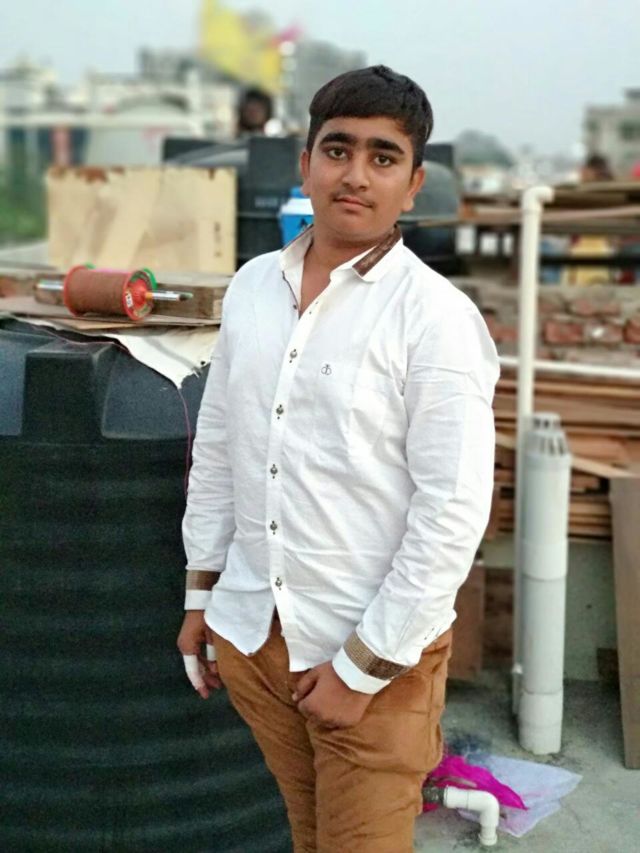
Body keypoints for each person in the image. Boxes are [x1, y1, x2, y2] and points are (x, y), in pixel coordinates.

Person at [177, 65, 499, 853]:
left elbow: (452, 512)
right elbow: (219, 443)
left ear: (413, 184)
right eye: (338, 149)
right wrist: (201, 593)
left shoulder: (435, 318)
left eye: (383, 157)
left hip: (373, 658)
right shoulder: (254, 287)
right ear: (306, 163)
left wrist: (362, 669)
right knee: (307, 832)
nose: (355, 174)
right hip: (256, 635)